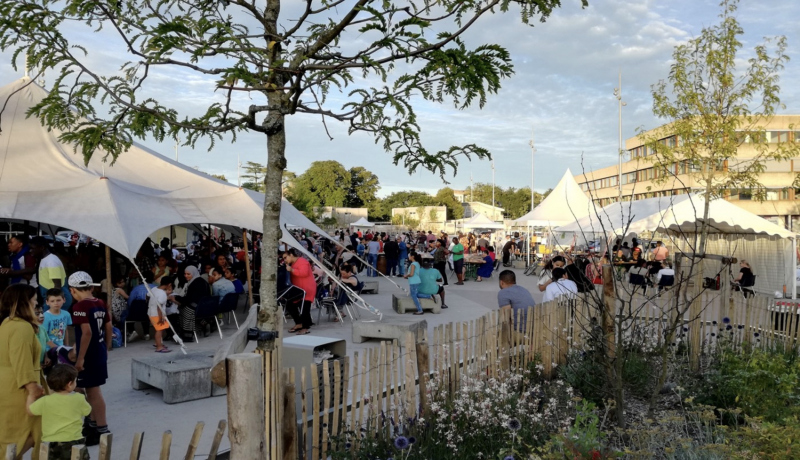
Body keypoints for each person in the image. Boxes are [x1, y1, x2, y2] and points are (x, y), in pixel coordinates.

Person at [0, 284, 45, 459]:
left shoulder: (6, 323)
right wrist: (33, 389)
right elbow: (21, 362)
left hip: (8, 386)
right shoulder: (22, 327)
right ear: (23, 302)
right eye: (33, 299)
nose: (36, 303)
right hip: (19, 389)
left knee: (12, 437)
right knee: (33, 434)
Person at [68, 271, 112, 446]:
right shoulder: (100, 302)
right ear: (91, 287)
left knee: (92, 392)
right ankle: (93, 424)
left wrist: (80, 359)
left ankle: (102, 430)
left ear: (73, 290)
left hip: (88, 355)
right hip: (99, 351)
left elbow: (86, 332)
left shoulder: (79, 307)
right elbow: (108, 326)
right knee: (86, 389)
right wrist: (106, 347)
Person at [27, 365, 91, 460]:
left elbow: (30, 411)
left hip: (50, 443)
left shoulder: (45, 401)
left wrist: (31, 397)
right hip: (74, 441)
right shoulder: (78, 398)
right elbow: (87, 411)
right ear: (69, 384)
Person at [30, 236, 69, 308]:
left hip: (54, 301)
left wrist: (54, 303)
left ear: (42, 248)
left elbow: (57, 285)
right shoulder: (44, 259)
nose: (30, 251)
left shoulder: (51, 261)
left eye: (32, 248)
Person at [283, 249, 316, 334]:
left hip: (306, 288)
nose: (285, 260)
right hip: (298, 289)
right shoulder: (292, 264)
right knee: (290, 304)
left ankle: (305, 327)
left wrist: (292, 270)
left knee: (304, 307)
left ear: (291, 255)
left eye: (285, 257)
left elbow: (304, 273)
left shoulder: (302, 261)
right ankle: (299, 323)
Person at [148, 276, 173, 353]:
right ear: (169, 284)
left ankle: (158, 343)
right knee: (159, 330)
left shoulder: (154, 289)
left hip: (150, 312)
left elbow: (148, 296)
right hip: (157, 314)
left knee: (158, 329)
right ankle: (159, 347)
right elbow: (159, 307)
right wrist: (160, 318)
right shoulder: (162, 294)